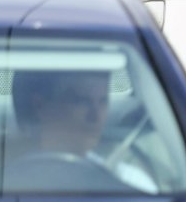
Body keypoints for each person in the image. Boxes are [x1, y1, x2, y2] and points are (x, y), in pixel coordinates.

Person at [10, 69, 157, 192]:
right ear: (40, 106)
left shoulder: (127, 181)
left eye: (103, 101)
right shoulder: (5, 183)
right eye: (81, 101)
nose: (95, 116)